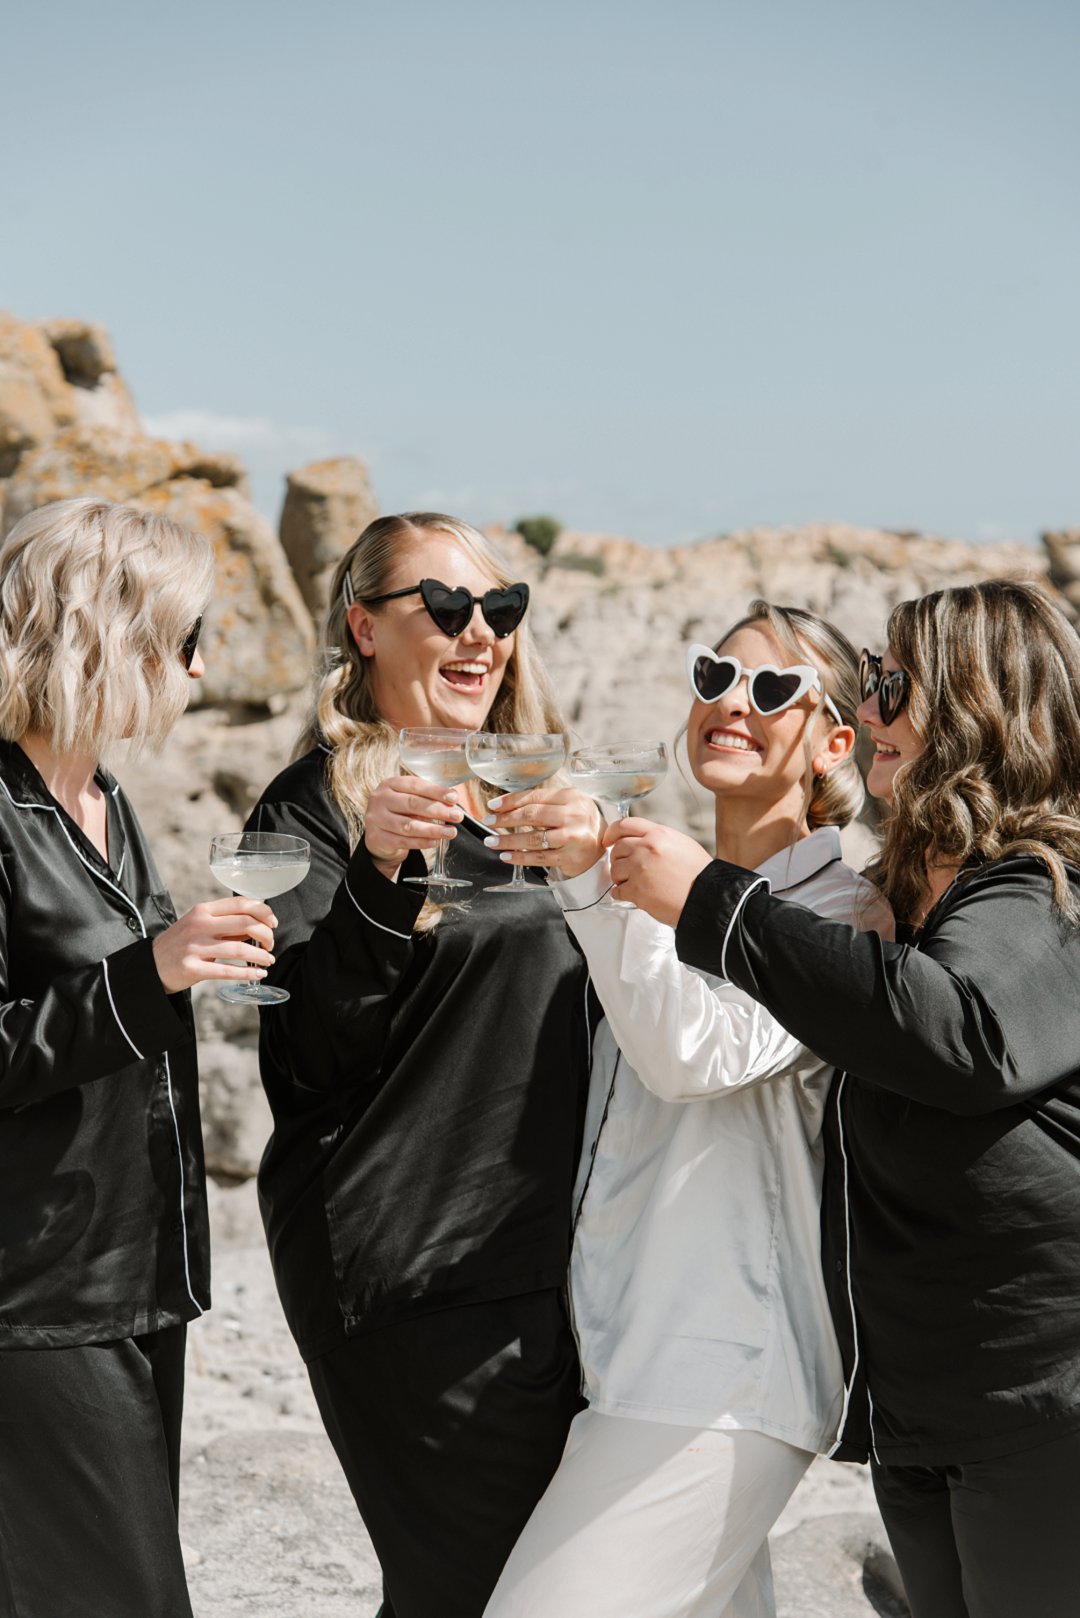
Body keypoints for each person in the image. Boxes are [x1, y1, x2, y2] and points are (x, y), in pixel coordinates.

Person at [609, 578, 1080, 1618]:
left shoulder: (1045, 886)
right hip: (930, 1402)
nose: (869, 710)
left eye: (894, 686)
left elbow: (954, 1034)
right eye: (869, 682)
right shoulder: (920, 897)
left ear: (980, 704)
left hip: (1043, 1398)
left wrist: (715, 905)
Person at [478, 600, 893, 1618]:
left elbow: (691, 1054)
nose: (733, 704)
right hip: (631, 1356)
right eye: (715, 676)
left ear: (834, 741)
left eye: (773, 688)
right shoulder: (653, 884)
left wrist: (593, 884)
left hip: (720, 1375)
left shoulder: (843, 910)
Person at [245, 512, 594, 1618]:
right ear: (364, 627)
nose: (479, 633)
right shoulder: (310, 808)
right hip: (414, 1267)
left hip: (562, 1263)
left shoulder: (531, 801)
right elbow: (306, 1056)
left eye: (501, 608)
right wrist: (379, 869)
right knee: (474, 1588)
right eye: (444, 607)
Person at [0, 496, 277, 1618]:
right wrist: (145, 973)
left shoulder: (102, 794)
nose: (200, 669)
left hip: (140, 1275)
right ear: (105, 632)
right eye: (185, 636)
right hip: (34, 1295)